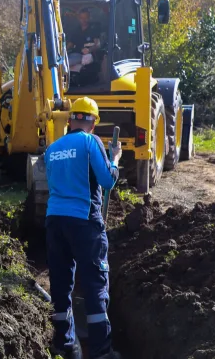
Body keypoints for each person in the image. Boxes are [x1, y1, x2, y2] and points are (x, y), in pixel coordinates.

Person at [44, 97, 122, 359]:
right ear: (93, 122)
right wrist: (115, 160)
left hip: (54, 221)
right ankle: (102, 351)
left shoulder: (52, 149)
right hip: (84, 221)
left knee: (61, 283)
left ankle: (65, 345)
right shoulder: (91, 142)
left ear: (70, 119)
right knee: (94, 284)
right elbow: (107, 181)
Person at [67, 9, 102, 86]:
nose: (84, 20)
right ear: (78, 18)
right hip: (74, 53)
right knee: (65, 59)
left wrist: (89, 50)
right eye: (81, 18)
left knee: (67, 63)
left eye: (86, 18)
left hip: (85, 55)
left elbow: (98, 45)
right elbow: (71, 44)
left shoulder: (94, 30)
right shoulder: (76, 30)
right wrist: (62, 52)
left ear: (90, 18)